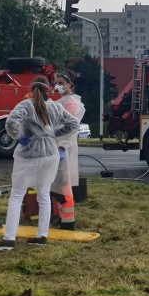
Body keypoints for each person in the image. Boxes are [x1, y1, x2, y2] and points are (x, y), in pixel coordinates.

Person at [0, 76, 79, 251]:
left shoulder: (26, 105)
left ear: (32, 89)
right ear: (48, 89)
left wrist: (18, 137)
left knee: (17, 195)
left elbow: (10, 122)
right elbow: (73, 123)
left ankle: (9, 240)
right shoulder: (56, 106)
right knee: (44, 195)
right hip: (50, 155)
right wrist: (55, 135)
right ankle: (42, 236)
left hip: (28, 155)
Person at [52, 69, 85, 230]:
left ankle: (68, 221)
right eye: (55, 83)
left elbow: (70, 127)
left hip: (64, 147)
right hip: (59, 146)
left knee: (63, 184)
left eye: (60, 83)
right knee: (58, 184)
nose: (57, 86)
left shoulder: (70, 103)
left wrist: (54, 138)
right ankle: (61, 217)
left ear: (69, 84)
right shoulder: (63, 101)